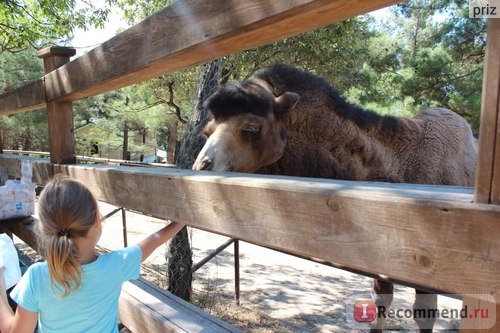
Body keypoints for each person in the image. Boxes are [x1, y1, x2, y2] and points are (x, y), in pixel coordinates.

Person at [0, 175, 185, 333]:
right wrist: (180, 222)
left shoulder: (36, 276)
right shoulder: (116, 266)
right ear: (97, 219)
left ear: (44, 228)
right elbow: (154, 239)